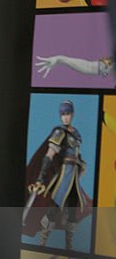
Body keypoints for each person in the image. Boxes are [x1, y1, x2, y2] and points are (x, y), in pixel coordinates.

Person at [26, 100, 91, 249]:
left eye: (68, 113)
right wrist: (41, 176)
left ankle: (69, 246)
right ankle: (43, 242)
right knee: (53, 209)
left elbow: (76, 154)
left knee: (73, 211)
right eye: (63, 114)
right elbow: (49, 155)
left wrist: (81, 163)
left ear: (72, 114)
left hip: (74, 177)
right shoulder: (59, 132)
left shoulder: (75, 134)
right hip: (64, 176)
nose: (65, 117)